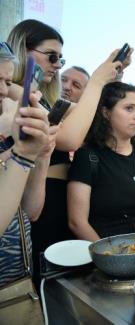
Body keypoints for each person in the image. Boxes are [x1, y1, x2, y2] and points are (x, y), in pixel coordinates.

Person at [7, 19, 127, 288]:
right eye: (51, 56)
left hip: (50, 197)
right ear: (22, 50)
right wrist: (96, 80)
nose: (57, 65)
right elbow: (70, 138)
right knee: (44, 286)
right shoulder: (15, 91)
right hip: (36, 200)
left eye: (61, 58)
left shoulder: (46, 100)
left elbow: (93, 119)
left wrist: (109, 80)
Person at [67, 82, 135, 241]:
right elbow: (77, 222)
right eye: (129, 108)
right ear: (106, 112)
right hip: (105, 255)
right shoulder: (87, 157)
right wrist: (109, 255)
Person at [0, 43, 55, 287]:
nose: (3, 91)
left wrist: (41, 155)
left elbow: (31, 211)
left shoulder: (10, 135)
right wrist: (19, 153)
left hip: (18, 284)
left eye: (7, 81)